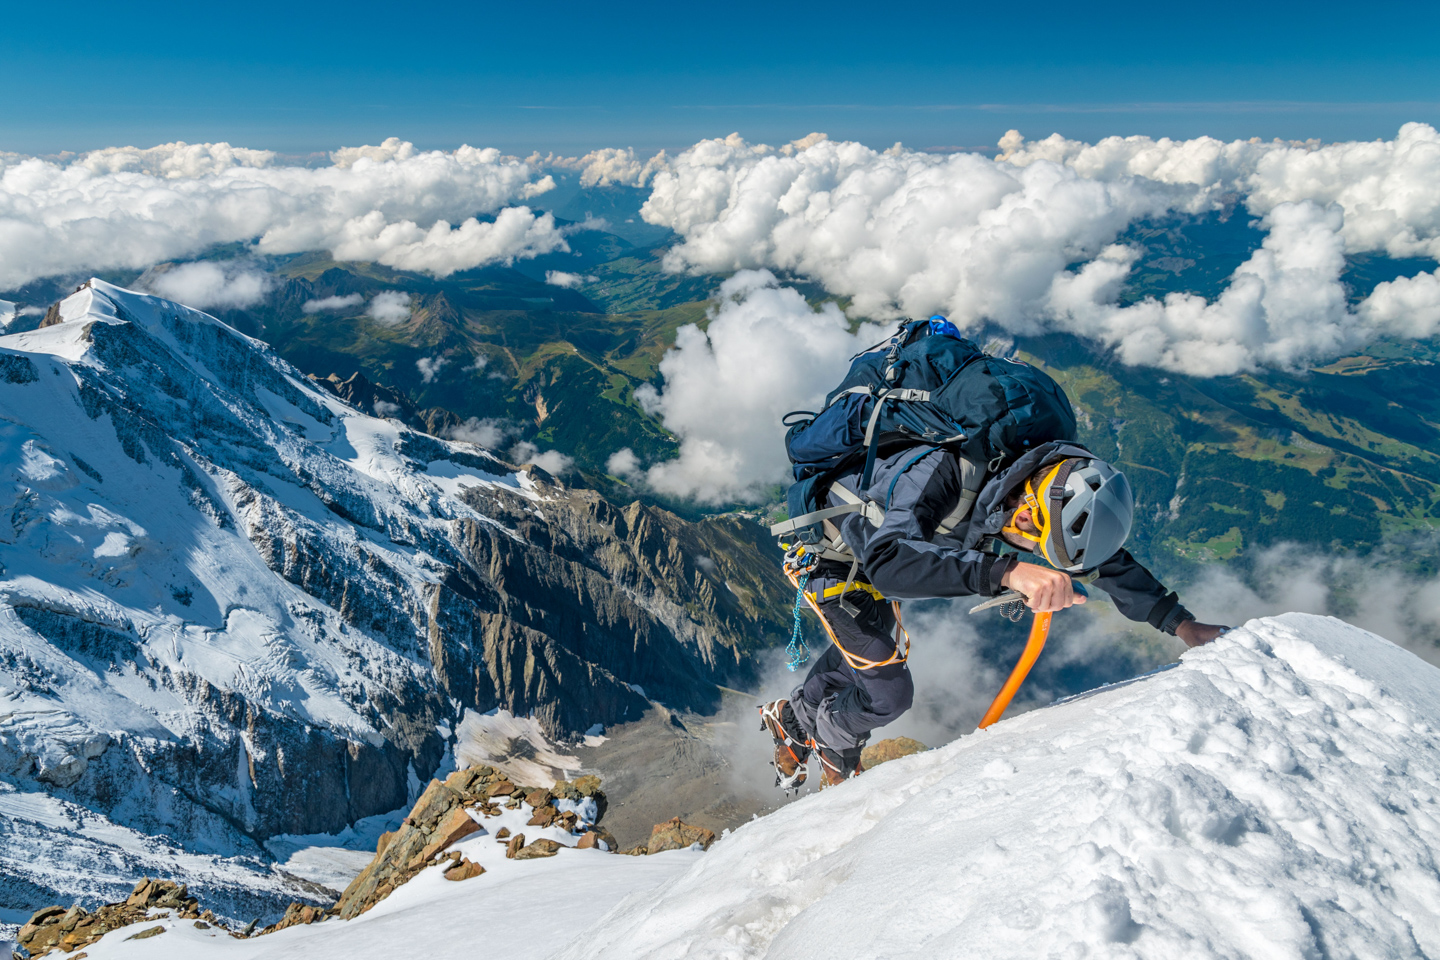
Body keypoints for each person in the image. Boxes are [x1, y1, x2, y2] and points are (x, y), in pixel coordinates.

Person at [760, 439, 1228, 788]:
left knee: (865, 658)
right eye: (1037, 542)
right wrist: (1008, 571)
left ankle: (792, 718)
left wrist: (1181, 624)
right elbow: (890, 565)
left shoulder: (1040, 479)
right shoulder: (943, 471)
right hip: (837, 557)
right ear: (1028, 509)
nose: (1035, 551)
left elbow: (1096, 559)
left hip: (877, 546)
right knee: (888, 691)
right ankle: (831, 744)